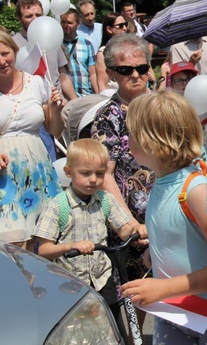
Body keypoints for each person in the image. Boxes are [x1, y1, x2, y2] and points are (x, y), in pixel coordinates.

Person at [120, 91, 207, 343]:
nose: (127, 141)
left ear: (150, 142)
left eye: (131, 134)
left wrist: (163, 287)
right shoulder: (160, 184)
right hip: (172, 312)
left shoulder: (195, 190)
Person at [33, 138, 148, 334]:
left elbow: (123, 230)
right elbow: (44, 250)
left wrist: (137, 230)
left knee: (113, 328)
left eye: (100, 174)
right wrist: (71, 247)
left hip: (102, 278)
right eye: (85, 173)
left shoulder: (105, 200)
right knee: (75, 331)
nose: (93, 179)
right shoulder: (57, 206)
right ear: (69, 172)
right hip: (69, 284)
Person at [0, 28, 63, 248]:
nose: (1, 61)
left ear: (15, 50)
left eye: (5, 53)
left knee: (42, 241)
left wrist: (55, 109)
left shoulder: (37, 83)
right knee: (9, 243)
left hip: (37, 170)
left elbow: (55, 130)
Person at [91, 34, 155, 281]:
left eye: (141, 68)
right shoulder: (108, 115)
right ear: (111, 73)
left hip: (171, 211)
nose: (136, 75)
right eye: (126, 69)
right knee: (138, 296)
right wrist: (129, 225)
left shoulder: (165, 104)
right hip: (132, 223)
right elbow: (105, 174)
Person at [13, 0, 76, 102]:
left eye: (38, 15)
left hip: (58, 102)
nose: (35, 19)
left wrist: (74, 101)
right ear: (19, 19)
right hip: (31, 105)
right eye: (29, 16)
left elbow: (63, 77)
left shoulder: (51, 37)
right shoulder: (13, 44)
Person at [61, 9, 97, 97]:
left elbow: (92, 72)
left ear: (78, 24)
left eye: (69, 23)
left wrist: (98, 93)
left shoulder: (86, 44)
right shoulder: (56, 44)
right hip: (64, 97)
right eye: (63, 22)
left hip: (85, 95)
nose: (66, 25)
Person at [95, 13, 128, 95]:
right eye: (120, 25)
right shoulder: (103, 53)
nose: (124, 28)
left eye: (125, 24)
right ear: (109, 29)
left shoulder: (129, 49)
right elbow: (102, 86)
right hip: (113, 98)